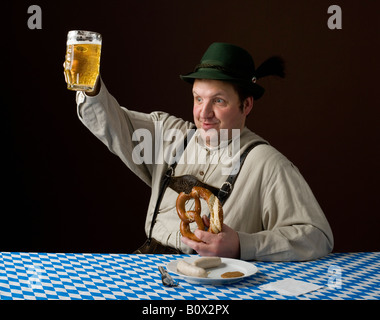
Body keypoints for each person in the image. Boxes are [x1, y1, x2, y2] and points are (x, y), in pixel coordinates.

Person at [72, 42, 333, 261]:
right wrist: (90, 85)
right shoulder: (170, 135)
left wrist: (243, 245)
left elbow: (317, 237)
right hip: (146, 265)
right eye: (198, 98)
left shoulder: (266, 164)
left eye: (218, 101)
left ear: (247, 105)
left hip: (212, 285)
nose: (204, 113)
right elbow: (112, 121)